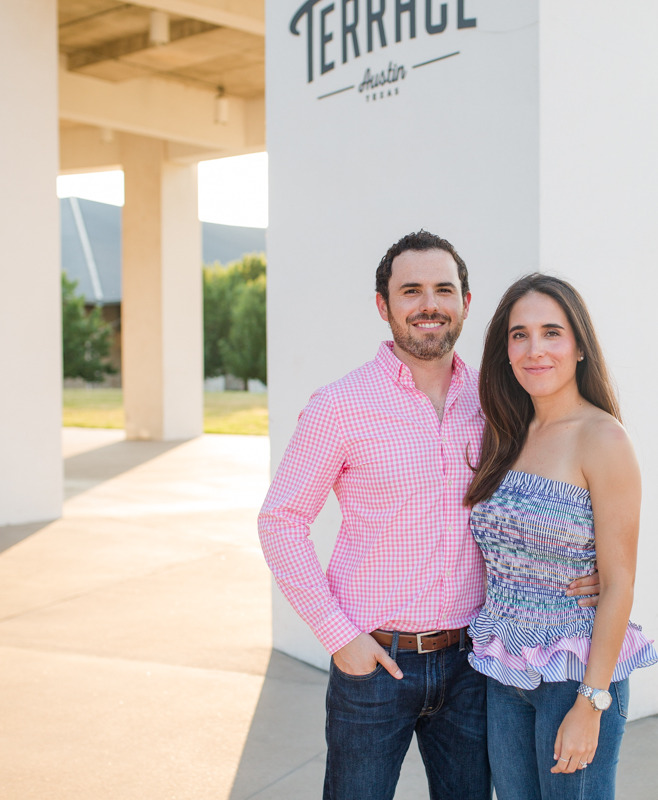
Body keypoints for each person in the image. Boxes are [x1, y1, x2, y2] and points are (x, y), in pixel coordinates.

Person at [257, 232, 601, 800]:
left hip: (475, 663)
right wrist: (337, 635)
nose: (428, 304)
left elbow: (542, 494)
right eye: (410, 290)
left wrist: (588, 575)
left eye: (443, 289)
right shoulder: (339, 406)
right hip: (375, 662)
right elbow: (281, 520)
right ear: (382, 305)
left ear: (466, 302)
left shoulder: (497, 402)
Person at [463, 273, 658, 800]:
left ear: (578, 347)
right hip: (504, 670)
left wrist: (590, 702)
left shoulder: (604, 439)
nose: (535, 349)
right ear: (504, 351)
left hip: (574, 676)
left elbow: (618, 584)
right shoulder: (505, 432)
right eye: (519, 334)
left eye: (552, 332)